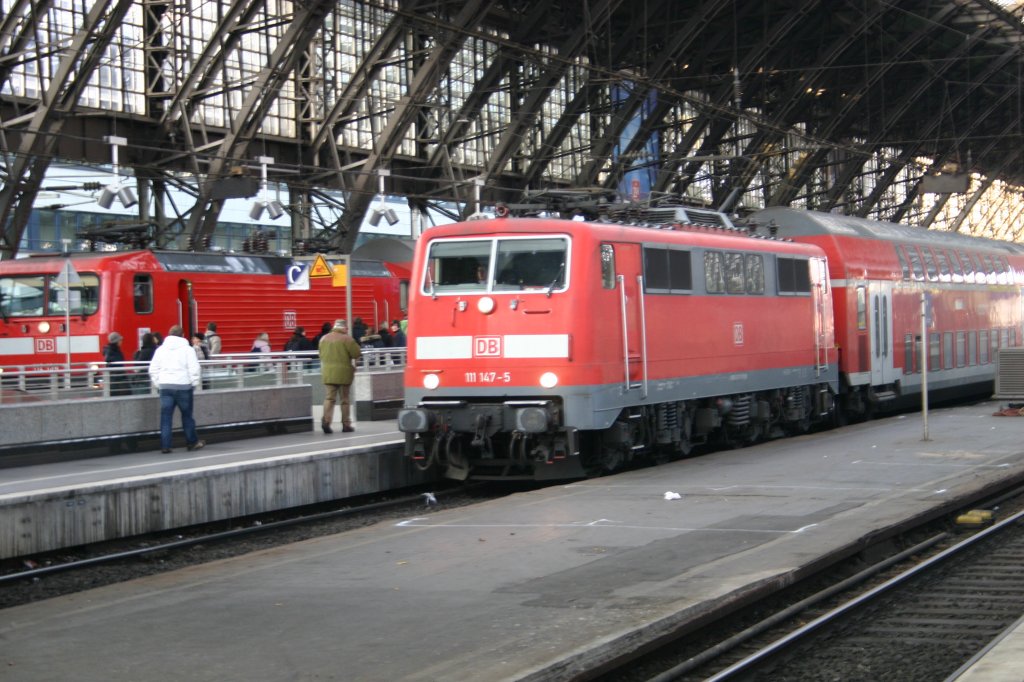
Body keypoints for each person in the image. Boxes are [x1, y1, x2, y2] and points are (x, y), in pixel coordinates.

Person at [149, 324, 204, 453]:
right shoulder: (188, 349)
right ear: (182, 335)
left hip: (165, 387)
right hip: (184, 386)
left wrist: (158, 383)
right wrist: (193, 383)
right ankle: (192, 442)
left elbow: (153, 369)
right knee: (187, 416)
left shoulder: (161, 350)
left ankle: (166, 446)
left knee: (166, 417)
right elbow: (194, 368)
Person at [319, 319, 361, 434]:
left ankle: (326, 421)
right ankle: (346, 425)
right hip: (344, 373)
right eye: (346, 328)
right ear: (343, 327)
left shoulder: (323, 339)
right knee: (344, 400)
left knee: (329, 398)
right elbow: (356, 353)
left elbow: (320, 354)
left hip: (328, 372)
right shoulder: (347, 339)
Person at [102, 331, 131, 396]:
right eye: (120, 340)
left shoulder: (110, 350)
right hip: (117, 380)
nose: (121, 342)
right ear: (116, 341)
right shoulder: (113, 351)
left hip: (114, 379)